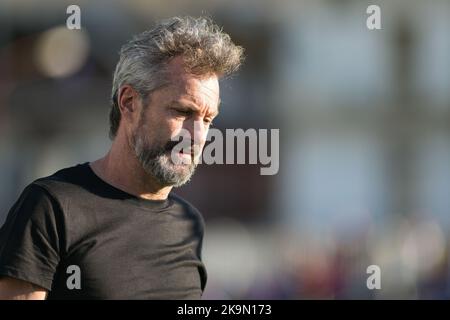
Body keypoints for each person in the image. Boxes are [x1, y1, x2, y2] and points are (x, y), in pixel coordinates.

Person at [0, 16, 244, 299]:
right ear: (129, 102)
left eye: (207, 119)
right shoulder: (51, 207)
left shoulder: (188, 223)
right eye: (182, 112)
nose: (198, 135)